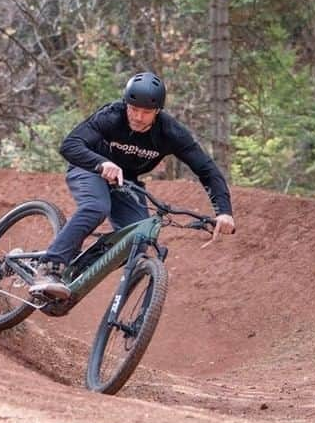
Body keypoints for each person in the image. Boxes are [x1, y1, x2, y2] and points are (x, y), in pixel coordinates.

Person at [30, 71, 236, 299]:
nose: (138, 117)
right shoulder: (111, 116)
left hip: (126, 182)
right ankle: (49, 267)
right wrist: (101, 163)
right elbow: (70, 145)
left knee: (138, 240)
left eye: (146, 112)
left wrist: (224, 212)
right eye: (133, 109)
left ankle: (73, 275)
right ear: (126, 104)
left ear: (157, 112)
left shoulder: (170, 132)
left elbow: (206, 169)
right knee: (97, 207)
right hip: (90, 168)